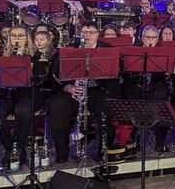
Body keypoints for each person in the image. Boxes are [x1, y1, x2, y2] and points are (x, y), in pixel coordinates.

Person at [48, 21, 122, 162]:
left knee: (106, 109)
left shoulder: (107, 49)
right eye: (84, 33)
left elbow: (117, 72)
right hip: (74, 89)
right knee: (58, 107)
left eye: (91, 33)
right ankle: (62, 152)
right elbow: (55, 73)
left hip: (98, 89)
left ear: (97, 34)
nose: (87, 36)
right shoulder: (70, 49)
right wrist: (67, 87)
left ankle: (104, 150)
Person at [0, 25, 44, 168]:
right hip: (6, 94)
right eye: (14, 36)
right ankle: (9, 149)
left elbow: (43, 77)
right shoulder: (0, 56)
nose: (17, 39)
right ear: (9, 38)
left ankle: (19, 148)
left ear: (27, 38)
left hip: (28, 93)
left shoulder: (36, 56)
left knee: (23, 111)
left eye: (21, 36)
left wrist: (32, 73)